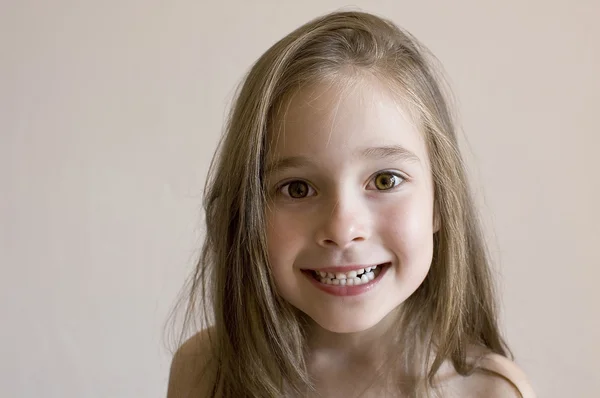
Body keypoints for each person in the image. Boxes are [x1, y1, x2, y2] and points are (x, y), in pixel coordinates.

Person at [166, 9, 535, 398]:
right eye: (297, 189)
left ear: (441, 202)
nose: (342, 229)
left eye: (384, 180)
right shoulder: (205, 372)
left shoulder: (491, 392)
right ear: (247, 211)